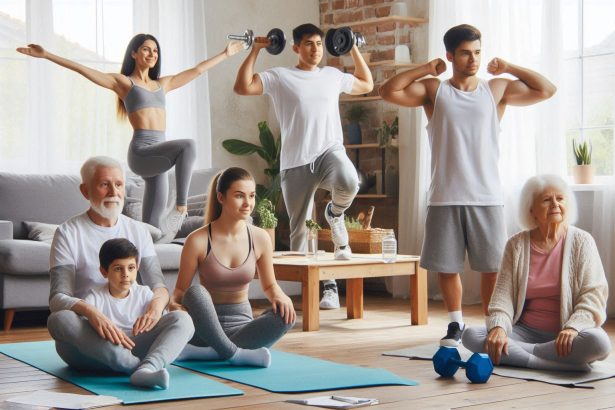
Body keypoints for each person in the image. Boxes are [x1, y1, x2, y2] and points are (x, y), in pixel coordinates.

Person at [379, 24, 557, 345]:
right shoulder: (434, 90)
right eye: (465, 53)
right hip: (444, 196)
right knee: (447, 268)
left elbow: (546, 90)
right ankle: (455, 324)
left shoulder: (496, 89)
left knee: (492, 269)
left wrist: (510, 67)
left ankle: (493, 325)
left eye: (477, 52)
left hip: (487, 196)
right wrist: (423, 69)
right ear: (450, 56)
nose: (473, 59)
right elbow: (387, 91)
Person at [17, 35, 244, 240]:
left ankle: (143, 276)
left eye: (155, 51)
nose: (152, 54)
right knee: (188, 146)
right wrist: (46, 55)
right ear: (134, 53)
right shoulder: (125, 84)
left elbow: (197, 70)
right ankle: (181, 207)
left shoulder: (162, 84)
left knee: (152, 232)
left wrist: (225, 54)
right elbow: (84, 70)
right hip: (142, 153)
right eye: (146, 49)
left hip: (159, 158)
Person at [234, 23, 374, 310]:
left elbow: (367, 84)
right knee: (299, 237)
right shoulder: (281, 77)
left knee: (349, 181)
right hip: (295, 162)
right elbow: (243, 86)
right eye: (309, 44)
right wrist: (257, 50)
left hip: (328, 151)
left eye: (320, 44)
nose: (315, 50)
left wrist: (353, 47)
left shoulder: (332, 76)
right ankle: (328, 287)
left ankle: (333, 214)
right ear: (295, 47)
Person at [47, 156, 194, 386]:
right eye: (104, 184)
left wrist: (156, 308)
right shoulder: (68, 232)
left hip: (135, 338)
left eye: (118, 184)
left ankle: (148, 367)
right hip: (89, 345)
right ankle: (139, 367)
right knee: (60, 320)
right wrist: (93, 314)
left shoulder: (139, 231)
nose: (113, 192)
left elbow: (159, 287)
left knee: (182, 320)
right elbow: (57, 299)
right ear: (85, 191)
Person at [462, 175, 611, 371]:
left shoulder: (582, 241)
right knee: (471, 335)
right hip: (523, 332)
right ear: (531, 210)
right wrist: (498, 328)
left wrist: (573, 326)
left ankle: (520, 356)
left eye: (560, 198)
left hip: (567, 333)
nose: (555, 204)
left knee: (599, 343)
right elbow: (502, 296)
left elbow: (594, 294)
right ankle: (551, 363)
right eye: (547, 200)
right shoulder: (516, 245)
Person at [169, 167, 296, 368]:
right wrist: (174, 305)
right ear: (221, 197)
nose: (248, 203)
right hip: (205, 329)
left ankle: (210, 354)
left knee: (286, 315)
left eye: (252, 196)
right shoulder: (197, 240)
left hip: (243, 327)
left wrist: (280, 295)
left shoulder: (260, 238)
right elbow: (180, 292)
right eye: (239, 196)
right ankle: (233, 353)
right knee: (195, 293)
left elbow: (270, 286)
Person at [85, 238, 194, 389]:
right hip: (113, 351)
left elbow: (165, 324)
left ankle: (147, 369)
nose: (125, 274)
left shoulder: (144, 293)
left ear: (137, 267)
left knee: (184, 320)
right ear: (104, 271)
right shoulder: (95, 298)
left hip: (140, 345)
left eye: (131, 268)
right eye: (118, 269)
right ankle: (178, 354)